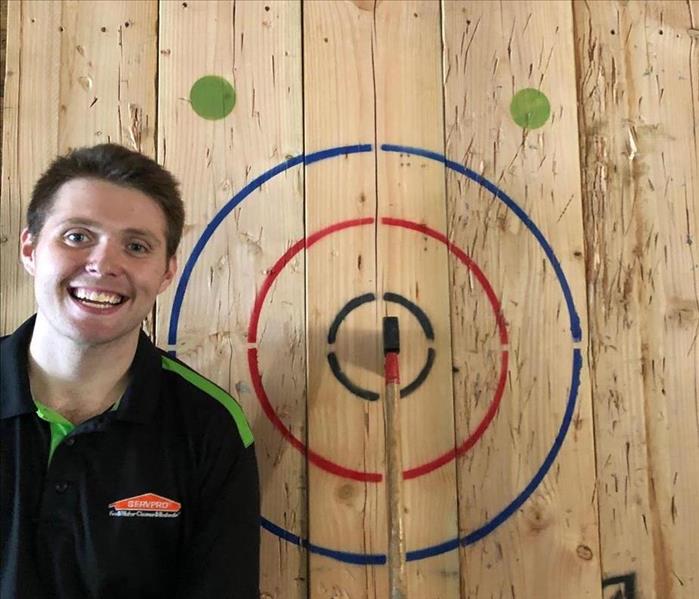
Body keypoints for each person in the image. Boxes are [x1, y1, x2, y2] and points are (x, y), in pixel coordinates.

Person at [0, 144, 260, 598]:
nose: (104, 264)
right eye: (77, 236)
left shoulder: (211, 427)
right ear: (30, 248)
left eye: (136, 246)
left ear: (165, 273)